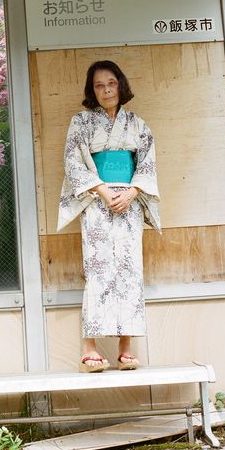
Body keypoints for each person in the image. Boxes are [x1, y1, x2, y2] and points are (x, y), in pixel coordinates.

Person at [57, 60, 161, 372]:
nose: (106, 90)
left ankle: (126, 346)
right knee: (98, 268)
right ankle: (89, 348)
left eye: (111, 83)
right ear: (92, 90)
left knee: (130, 270)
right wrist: (103, 191)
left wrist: (132, 192)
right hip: (96, 201)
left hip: (129, 201)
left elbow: (147, 164)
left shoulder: (138, 124)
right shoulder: (81, 123)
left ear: (121, 85)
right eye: (99, 85)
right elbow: (73, 163)